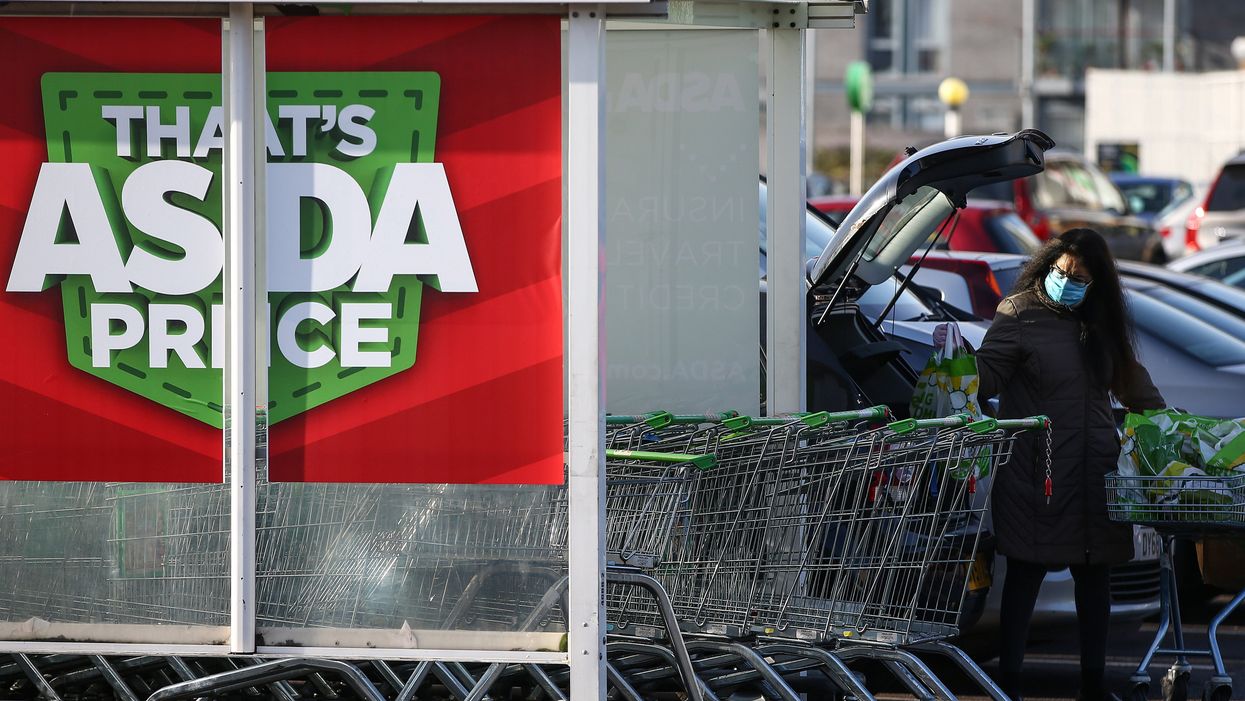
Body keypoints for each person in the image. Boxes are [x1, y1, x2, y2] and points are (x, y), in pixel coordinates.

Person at [935, 228, 1165, 701]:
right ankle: (1011, 685)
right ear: (1048, 266)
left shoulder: (1102, 322)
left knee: (1094, 576)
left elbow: (1133, 384)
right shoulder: (1019, 313)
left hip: (1096, 467)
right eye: (1064, 273)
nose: (1071, 283)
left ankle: (1094, 685)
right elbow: (990, 373)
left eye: (1082, 277)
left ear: (1098, 282)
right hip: (1035, 467)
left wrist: (1173, 425)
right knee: (1025, 573)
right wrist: (955, 366)